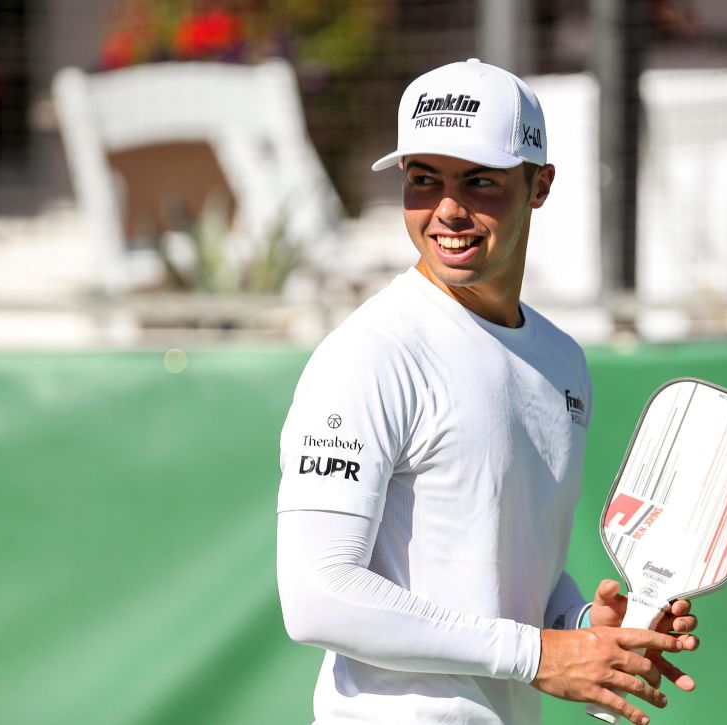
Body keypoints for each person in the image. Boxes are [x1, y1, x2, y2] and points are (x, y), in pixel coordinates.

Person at [276, 58, 699, 725]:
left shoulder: (562, 360)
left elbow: (502, 565)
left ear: (541, 185)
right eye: (423, 180)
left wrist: (589, 628)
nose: (447, 209)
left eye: (479, 182)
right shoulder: (369, 354)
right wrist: (537, 653)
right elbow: (317, 597)